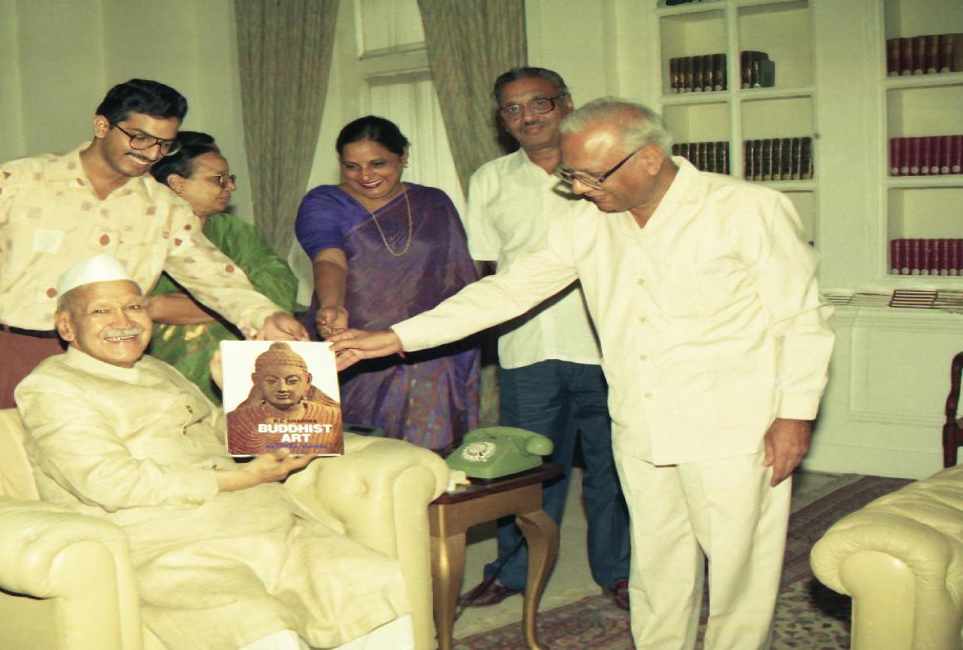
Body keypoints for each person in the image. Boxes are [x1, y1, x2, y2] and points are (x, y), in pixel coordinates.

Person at [330, 99, 835, 649]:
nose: (580, 188)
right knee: (656, 563)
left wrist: (795, 415)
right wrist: (395, 337)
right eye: (572, 175)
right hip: (640, 420)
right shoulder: (585, 221)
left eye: (593, 176)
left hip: (734, 425)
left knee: (740, 569)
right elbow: (508, 291)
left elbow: (801, 317)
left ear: (648, 158)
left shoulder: (746, 209)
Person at [15, 254, 413, 650]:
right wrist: (242, 477)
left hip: (271, 528)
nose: (123, 322)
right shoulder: (52, 387)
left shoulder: (157, 369)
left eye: (133, 307)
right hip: (172, 549)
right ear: (66, 326)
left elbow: (212, 433)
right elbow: (110, 483)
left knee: (374, 578)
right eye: (101, 311)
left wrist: (239, 395)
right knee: (259, 627)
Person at [0, 79, 305, 432]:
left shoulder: (163, 208)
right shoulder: (19, 182)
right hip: (9, 352)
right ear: (102, 126)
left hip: (107, 362)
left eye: (164, 144)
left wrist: (265, 316)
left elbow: (214, 277)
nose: (151, 153)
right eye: (140, 137)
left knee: (97, 472)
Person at [459, 68, 631, 611]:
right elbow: (489, 270)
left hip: (605, 348)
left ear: (567, 103)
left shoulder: (604, 170)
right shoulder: (490, 179)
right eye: (512, 109)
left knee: (612, 468)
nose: (527, 117)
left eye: (539, 103)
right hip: (527, 349)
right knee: (524, 471)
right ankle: (513, 571)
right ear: (501, 119)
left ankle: (620, 572)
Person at [295, 116, 479, 452]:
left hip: (425, 347)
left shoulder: (433, 203)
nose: (365, 176)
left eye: (377, 164)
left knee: (425, 453)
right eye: (352, 166)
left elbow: (456, 277)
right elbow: (329, 258)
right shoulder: (325, 201)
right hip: (353, 343)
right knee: (356, 452)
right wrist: (332, 305)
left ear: (403, 156)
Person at [147, 131, 298, 403]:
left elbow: (280, 286)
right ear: (177, 184)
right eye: (219, 179)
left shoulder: (235, 231)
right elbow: (142, 307)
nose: (231, 187)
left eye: (231, 178)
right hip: (163, 367)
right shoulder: (145, 234)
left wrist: (185, 306)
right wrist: (237, 304)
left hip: (242, 363)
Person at [226, 342, 343, 456]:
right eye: (271, 381)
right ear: (256, 380)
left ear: (307, 381)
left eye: (292, 381)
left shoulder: (332, 417)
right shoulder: (237, 420)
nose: (282, 388)